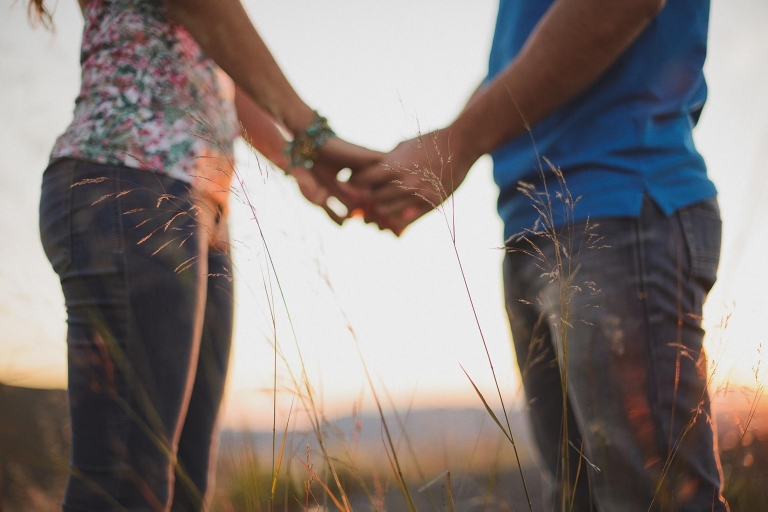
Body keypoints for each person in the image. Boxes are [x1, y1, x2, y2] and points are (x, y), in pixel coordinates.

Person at [352, 0, 729, 510]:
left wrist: (456, 144)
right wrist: (439, 154)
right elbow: (517, 62)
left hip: (617, 204)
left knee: (652, 499)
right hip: (531, 224)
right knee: (577, 497)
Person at [31, 0, 378, 509]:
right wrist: (314, 134)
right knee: (128, 484)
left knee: (185, 479)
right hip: (131, 178)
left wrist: (300, 163)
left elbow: (223, 72)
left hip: (199, 203)